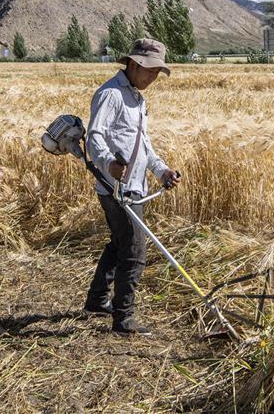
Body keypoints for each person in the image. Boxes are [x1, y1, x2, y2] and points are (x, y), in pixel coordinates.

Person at [83, 38, 182, 336]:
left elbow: (144, 146)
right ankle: (123, 319)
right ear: (134, 64)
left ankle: (97, 299)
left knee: (120, 241)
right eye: (150, 71)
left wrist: (162, 171)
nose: (153, 78)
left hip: (135, 186)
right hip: (116, 189)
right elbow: (94, 138)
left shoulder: (138, 99)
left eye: (157, 73)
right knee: (135, 251)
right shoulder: (111, 94)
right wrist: (108, 163)